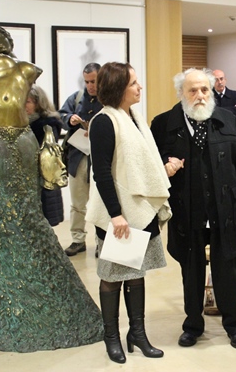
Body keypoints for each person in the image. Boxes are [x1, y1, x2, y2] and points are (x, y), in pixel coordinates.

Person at [0, 26, 103, 352]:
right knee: (2, 231)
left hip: (11, 140)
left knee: (23, 222)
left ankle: (53, 309)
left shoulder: (22, 69)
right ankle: (23, 311)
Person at [151, 68, 236, 350]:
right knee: (191, 272)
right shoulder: (163, 124)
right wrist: (165, 166)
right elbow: (152, 163)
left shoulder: (227, 119)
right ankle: (193, 326)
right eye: (193, 90)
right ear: (181, 94)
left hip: (224, 210)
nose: (200, 95)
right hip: (187, 211)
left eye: (205, 90)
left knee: (229, 269)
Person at [85, 62, 171, 364]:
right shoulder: (104, 121)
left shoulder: (134, 118)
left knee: (136, 274)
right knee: (113, 276)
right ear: (118, 88)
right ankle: (111, 336)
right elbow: (101, 173)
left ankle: (137, 333)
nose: (139, 87)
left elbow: (142, 162)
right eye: (133, 83)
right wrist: (116, 214)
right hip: (119, 214)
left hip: (139, 210)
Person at [59, 63, 103, 256]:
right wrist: (70, 119)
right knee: (77, 204)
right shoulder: (76, 98)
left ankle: (102, 242)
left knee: (101, 204)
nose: (90, 85)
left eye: (93, 81)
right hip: (78, 158)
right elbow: (61, 115)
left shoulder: (110, 100)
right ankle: (78, 240)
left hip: (101, 160)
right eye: (87, 82)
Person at [26, 84, 65, 226]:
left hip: (43, 181)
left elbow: (47, 157)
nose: (24, 106)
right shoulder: (23, 124)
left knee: (43, 224)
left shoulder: (47, 125)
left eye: (28, 102)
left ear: (38, 103)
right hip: (29, 182)